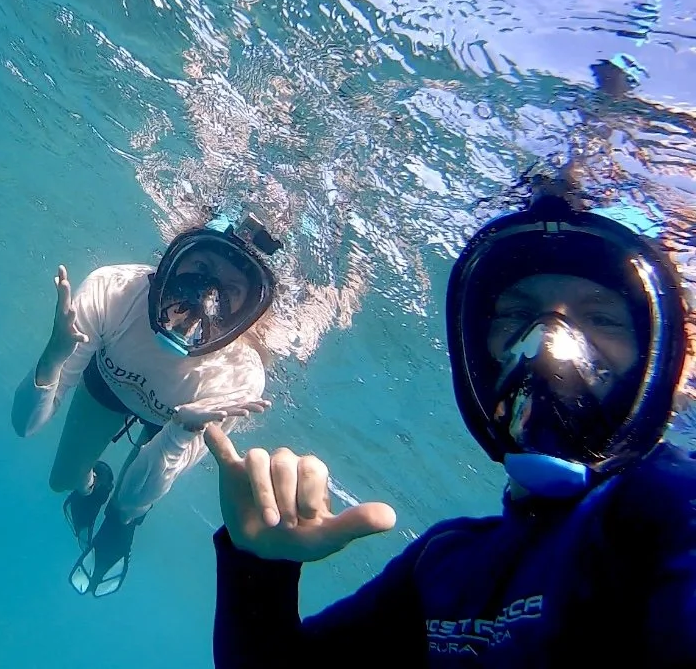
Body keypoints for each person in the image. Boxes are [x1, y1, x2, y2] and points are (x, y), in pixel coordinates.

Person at [205, 163, 696, 666]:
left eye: (602, 318)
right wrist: (259, 567)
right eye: (515, 315)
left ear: (671, 367)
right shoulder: (444, 567)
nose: (548, 350)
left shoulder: (670, 509)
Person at [11, 210, 283, 596]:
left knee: (127, 508)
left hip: (176, 418)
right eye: (201, 267)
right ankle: (92, 489)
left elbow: (152, 483)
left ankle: (118, 529)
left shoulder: (239, 377)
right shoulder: (115, 291)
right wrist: (54, 355)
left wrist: (181, 433)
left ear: (245, 317)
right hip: (109, 382)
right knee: (63, 482)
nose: (205, 297)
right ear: (172, 260)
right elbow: (25, 426)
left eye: (229, 293)